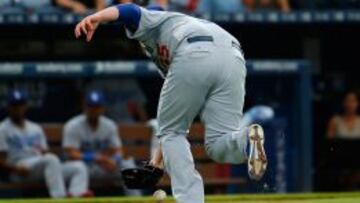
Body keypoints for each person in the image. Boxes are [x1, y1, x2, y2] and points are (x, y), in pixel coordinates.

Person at [74, 4, 267, 203]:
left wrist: (96, 17)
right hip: (233, 56)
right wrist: (156, 163)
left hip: (195, 50)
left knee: (171, 133)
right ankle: (245, 141)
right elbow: (177, 120)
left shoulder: (155, 19)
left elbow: (128, 11)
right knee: (218, 142)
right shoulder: (178, 33)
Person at [0, 89, 90, 198]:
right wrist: (15, 169)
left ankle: (76, 195)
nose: (18, 109)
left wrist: (51, 156)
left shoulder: (35, 128)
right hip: (19, 169)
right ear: (9, 107)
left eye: (20, 105)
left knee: (79, 167)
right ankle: (60, 199)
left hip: (41, 167)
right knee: (50, 160)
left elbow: (45, 152)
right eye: (14, 105)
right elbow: (1, 160)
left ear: (26, 106)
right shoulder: (3, 129)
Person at [62, 90, 141, 196]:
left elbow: (118, 150)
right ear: (85, 107)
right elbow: (70, 154)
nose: (94, 110)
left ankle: (136, 200)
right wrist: (96, 157)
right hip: (85, 167)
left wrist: (114, 160)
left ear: (103, 108)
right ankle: (78, 196)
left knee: (127, 165)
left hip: (105, 167)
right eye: (91, 106)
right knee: (79, 167)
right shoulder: (73, 125)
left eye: (97, 106)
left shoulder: (109, 125)